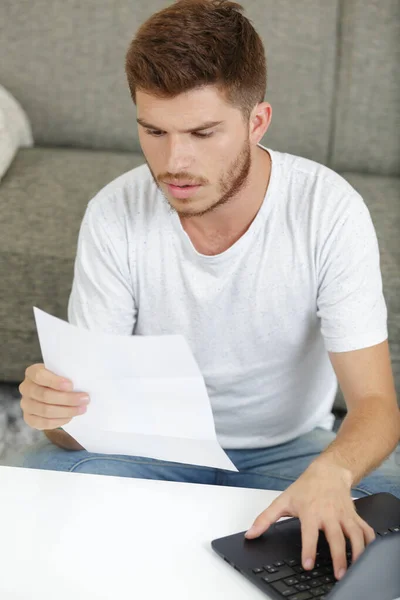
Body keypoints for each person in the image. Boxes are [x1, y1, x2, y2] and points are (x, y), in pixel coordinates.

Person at [17, 0, 399, 585]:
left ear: (257, 121)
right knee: (31, 492)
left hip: (289, 451)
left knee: (387, 513)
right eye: (154, 131)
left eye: (202, 132)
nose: (176, 162)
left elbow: (376, 407)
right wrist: (54, 416)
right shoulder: (114, 213)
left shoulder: (329, 211)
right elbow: (80, 427)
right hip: (149, 447)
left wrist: (334, 473)